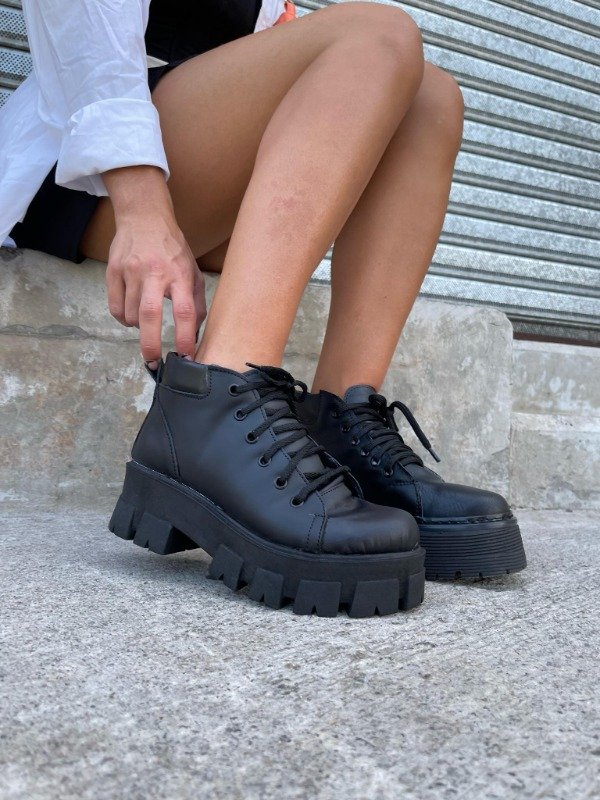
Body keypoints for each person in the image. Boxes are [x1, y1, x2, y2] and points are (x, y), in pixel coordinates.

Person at [0, 0, 526, 618]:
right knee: (379, 32)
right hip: (85, 162)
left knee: (430, 94)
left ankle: (340, 423)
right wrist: (140, 206)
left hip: (203, 176)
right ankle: (217, 394)